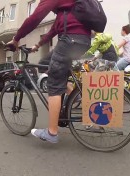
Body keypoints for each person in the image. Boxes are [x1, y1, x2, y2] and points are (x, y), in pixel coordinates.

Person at [6, 0, 91, 143]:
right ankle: (72, 93)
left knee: (54, 82)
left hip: (71, 39)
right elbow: (54, 30)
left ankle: (52, 133)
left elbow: (35, 18)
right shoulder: (65, 11)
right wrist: (37, 45)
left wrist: (16, 38)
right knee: (44, 63)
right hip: (80, 40)